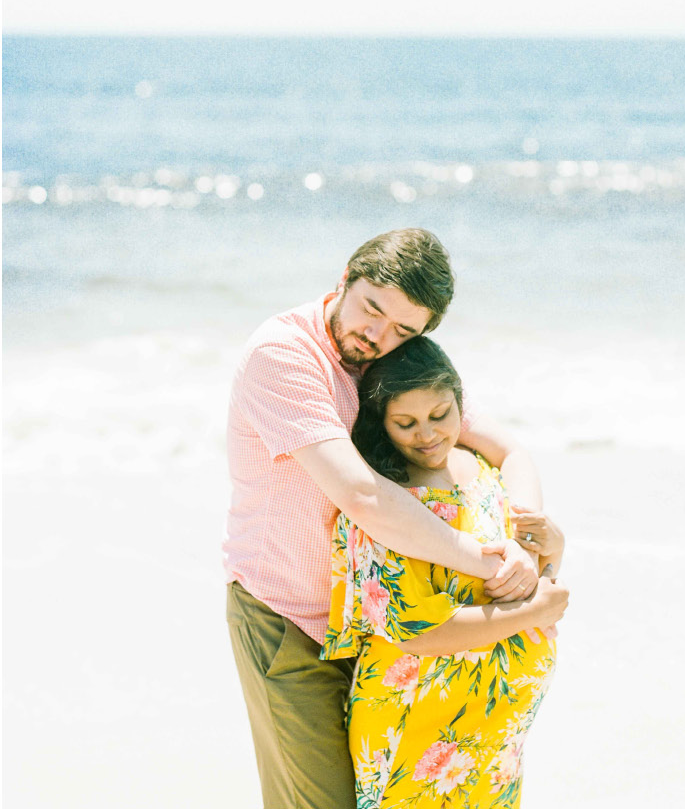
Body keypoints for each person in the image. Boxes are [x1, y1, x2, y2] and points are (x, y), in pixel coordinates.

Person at [224, 228, 548, 809]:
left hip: (379, 632)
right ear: (345, 279)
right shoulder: (285, 354)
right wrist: (490, 562)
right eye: (372, 309)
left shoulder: (389, 352)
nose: (377, 336)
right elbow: (361, 494)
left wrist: (524, 536)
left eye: (405, 329)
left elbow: (506, 450)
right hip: (292, 620)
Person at [324, 336, 567, 808]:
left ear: (461, 402)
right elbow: (415, 633)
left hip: (495, 731)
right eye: (406, 423)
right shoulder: (383, 502)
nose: (428, 434)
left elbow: (518, 586)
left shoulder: (481, 472)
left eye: (441, 415)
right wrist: (537, 610)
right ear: (382, 423)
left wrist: (552, 556)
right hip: (414, 725)